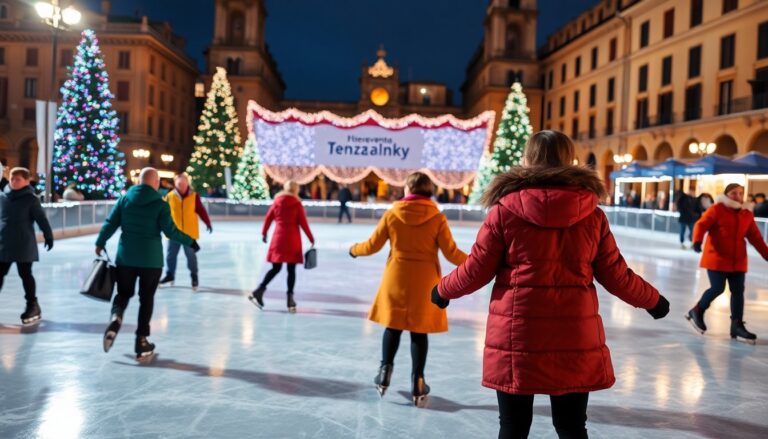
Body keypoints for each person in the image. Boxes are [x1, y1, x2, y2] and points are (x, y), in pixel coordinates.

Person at [431, 131, 669, 438]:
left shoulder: (504, 212)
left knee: (514, 428)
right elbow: (616, 274)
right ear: (569, 159)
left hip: (518, 335)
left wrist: (442, 290)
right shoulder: (592, 215)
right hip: (574, 336)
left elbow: (476, 269)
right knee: (571, 427)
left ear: (528, 159)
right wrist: (653, 300)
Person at [349, 172, 467, 407]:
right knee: (418, 332)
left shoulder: (392, 214)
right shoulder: (437, 218)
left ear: (408, 189)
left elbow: (372, 246)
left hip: (397, 278)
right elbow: (452, 252)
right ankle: (418, 381)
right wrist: (478, 262)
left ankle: (384, 372)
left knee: (393, 326)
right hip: (425, 282)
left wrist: (354, 249)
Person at [96, 167, 199, 360]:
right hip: (151, 261)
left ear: (138, 182)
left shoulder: (125, 200)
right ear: (156, 183)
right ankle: (141, 341)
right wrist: (191, 241)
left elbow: (110, 223)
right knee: (146, 299)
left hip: (126, 258)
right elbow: (171, 232)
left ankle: (116, 316)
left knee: (123, 294)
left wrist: (100, 242)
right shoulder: (160, 205)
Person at [686, 183, 768, 344]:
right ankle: (697, 310)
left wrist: (766, 254)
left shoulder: (746, 214)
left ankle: (736, 325)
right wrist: (696, 240)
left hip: (738, 261)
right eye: (733, 193)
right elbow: (701, 225)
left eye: (740, 193)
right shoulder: (717, 210)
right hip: (717, 258)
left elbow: (756, 238)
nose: (737, 196)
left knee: (738, 292)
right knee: (717, 288)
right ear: (726, 194)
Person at [249, 180, 314, 313]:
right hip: (292, 240)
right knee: (291, 270)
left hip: (278, 239)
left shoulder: (277, 202)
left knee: (275, 268)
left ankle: (259, 290)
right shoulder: (296, 204)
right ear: (296, 189)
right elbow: (303, 223)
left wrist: (264, 232)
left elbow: (268, 218)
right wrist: (311, 238)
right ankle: (290, 299)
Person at [0, 167, 54, 325]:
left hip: (23, 243)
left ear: (26, 180)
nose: (14, 182)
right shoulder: (3, 196)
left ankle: (32, 305)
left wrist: (48, 235)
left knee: (25, 274)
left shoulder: (31, 199)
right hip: (4, 242)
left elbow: (41, 219)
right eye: (12, 179)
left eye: (18, 179)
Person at [159, 173, 212, 290]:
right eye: (179, 184)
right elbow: (162, 212)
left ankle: (194, 276)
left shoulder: (194, 196)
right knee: (170, 256)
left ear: (187, 183)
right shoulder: (170, 196)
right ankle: (170, 275)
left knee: (191, 256)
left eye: (183, 184)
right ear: (175, 184)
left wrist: (207, 222)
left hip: (189, 233)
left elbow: (201, 211)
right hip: (173, 233)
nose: (181, 186)